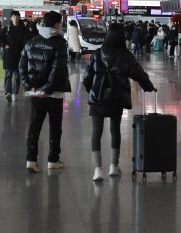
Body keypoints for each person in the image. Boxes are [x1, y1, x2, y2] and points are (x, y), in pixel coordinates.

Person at [82, 23, 155, 182]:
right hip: (117, 98)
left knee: (96, 132)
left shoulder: (97, 53)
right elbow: (139, 74)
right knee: (115, 130)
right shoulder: (126, 55)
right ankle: (114, 166)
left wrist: (93, 92)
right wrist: (149, 87)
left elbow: (87, 78)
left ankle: (97, 170)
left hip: (98, 100)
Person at [19, 11, 71, 173]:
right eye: (60, 23)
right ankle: (53, 160)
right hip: (54, 93)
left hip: (35, 92)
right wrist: (47, 89)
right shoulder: (59, 43)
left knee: (35, 125)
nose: (61, 26)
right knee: (55, 127)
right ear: (56, 24)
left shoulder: (31, 41)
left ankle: (31, 160)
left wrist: (29, 86)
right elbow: (57, 69)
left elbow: (22, 66)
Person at [0, 11, 29, 101]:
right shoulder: (7, 28)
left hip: (19, 55)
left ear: (19, 18)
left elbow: (27, 41)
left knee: (17, 76)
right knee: (8, 74)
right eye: (14, 16)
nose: (15, 18)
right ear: (11, 18)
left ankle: (14, 93)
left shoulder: (23, 29)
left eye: (17, 16)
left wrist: (24, 49)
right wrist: (5, 45)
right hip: (9, 55)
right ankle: (8, 93)